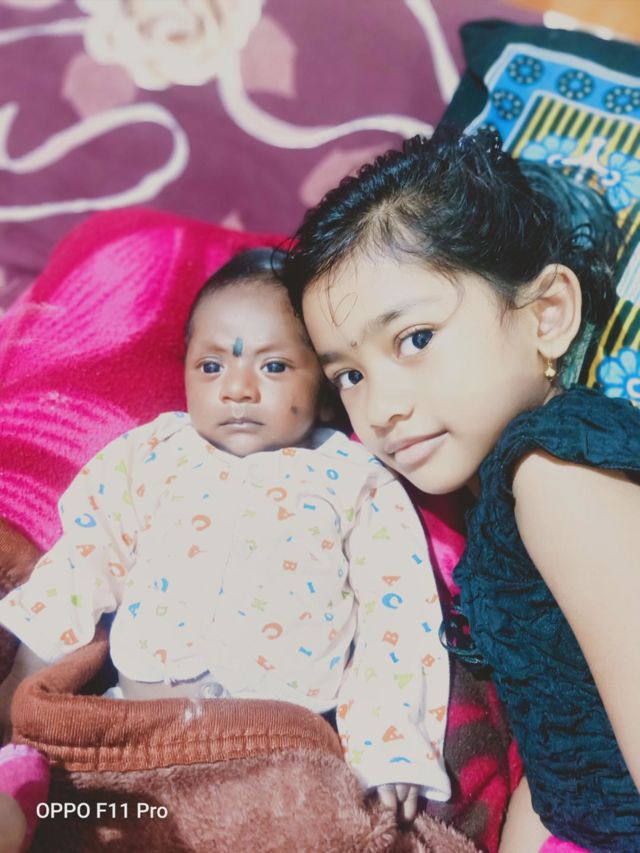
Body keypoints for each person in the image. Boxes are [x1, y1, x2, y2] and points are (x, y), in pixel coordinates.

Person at [281, 128, 640, 853]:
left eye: (415, 339)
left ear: (547, 315)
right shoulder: (510, 487)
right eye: (349, 374)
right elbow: (566, 743)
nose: (381, 407)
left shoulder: (557, 473)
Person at [0, 248, 451, 823]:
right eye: (211, 367)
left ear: (324, 389)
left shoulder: (355, 481)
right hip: (129, 736)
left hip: (279, 754)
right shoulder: (150, 454)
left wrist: (391, 746)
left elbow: (398, 617)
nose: (237, 389)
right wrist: (20, 678)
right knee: (67, 815)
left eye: (274, 366)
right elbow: (84, 563)